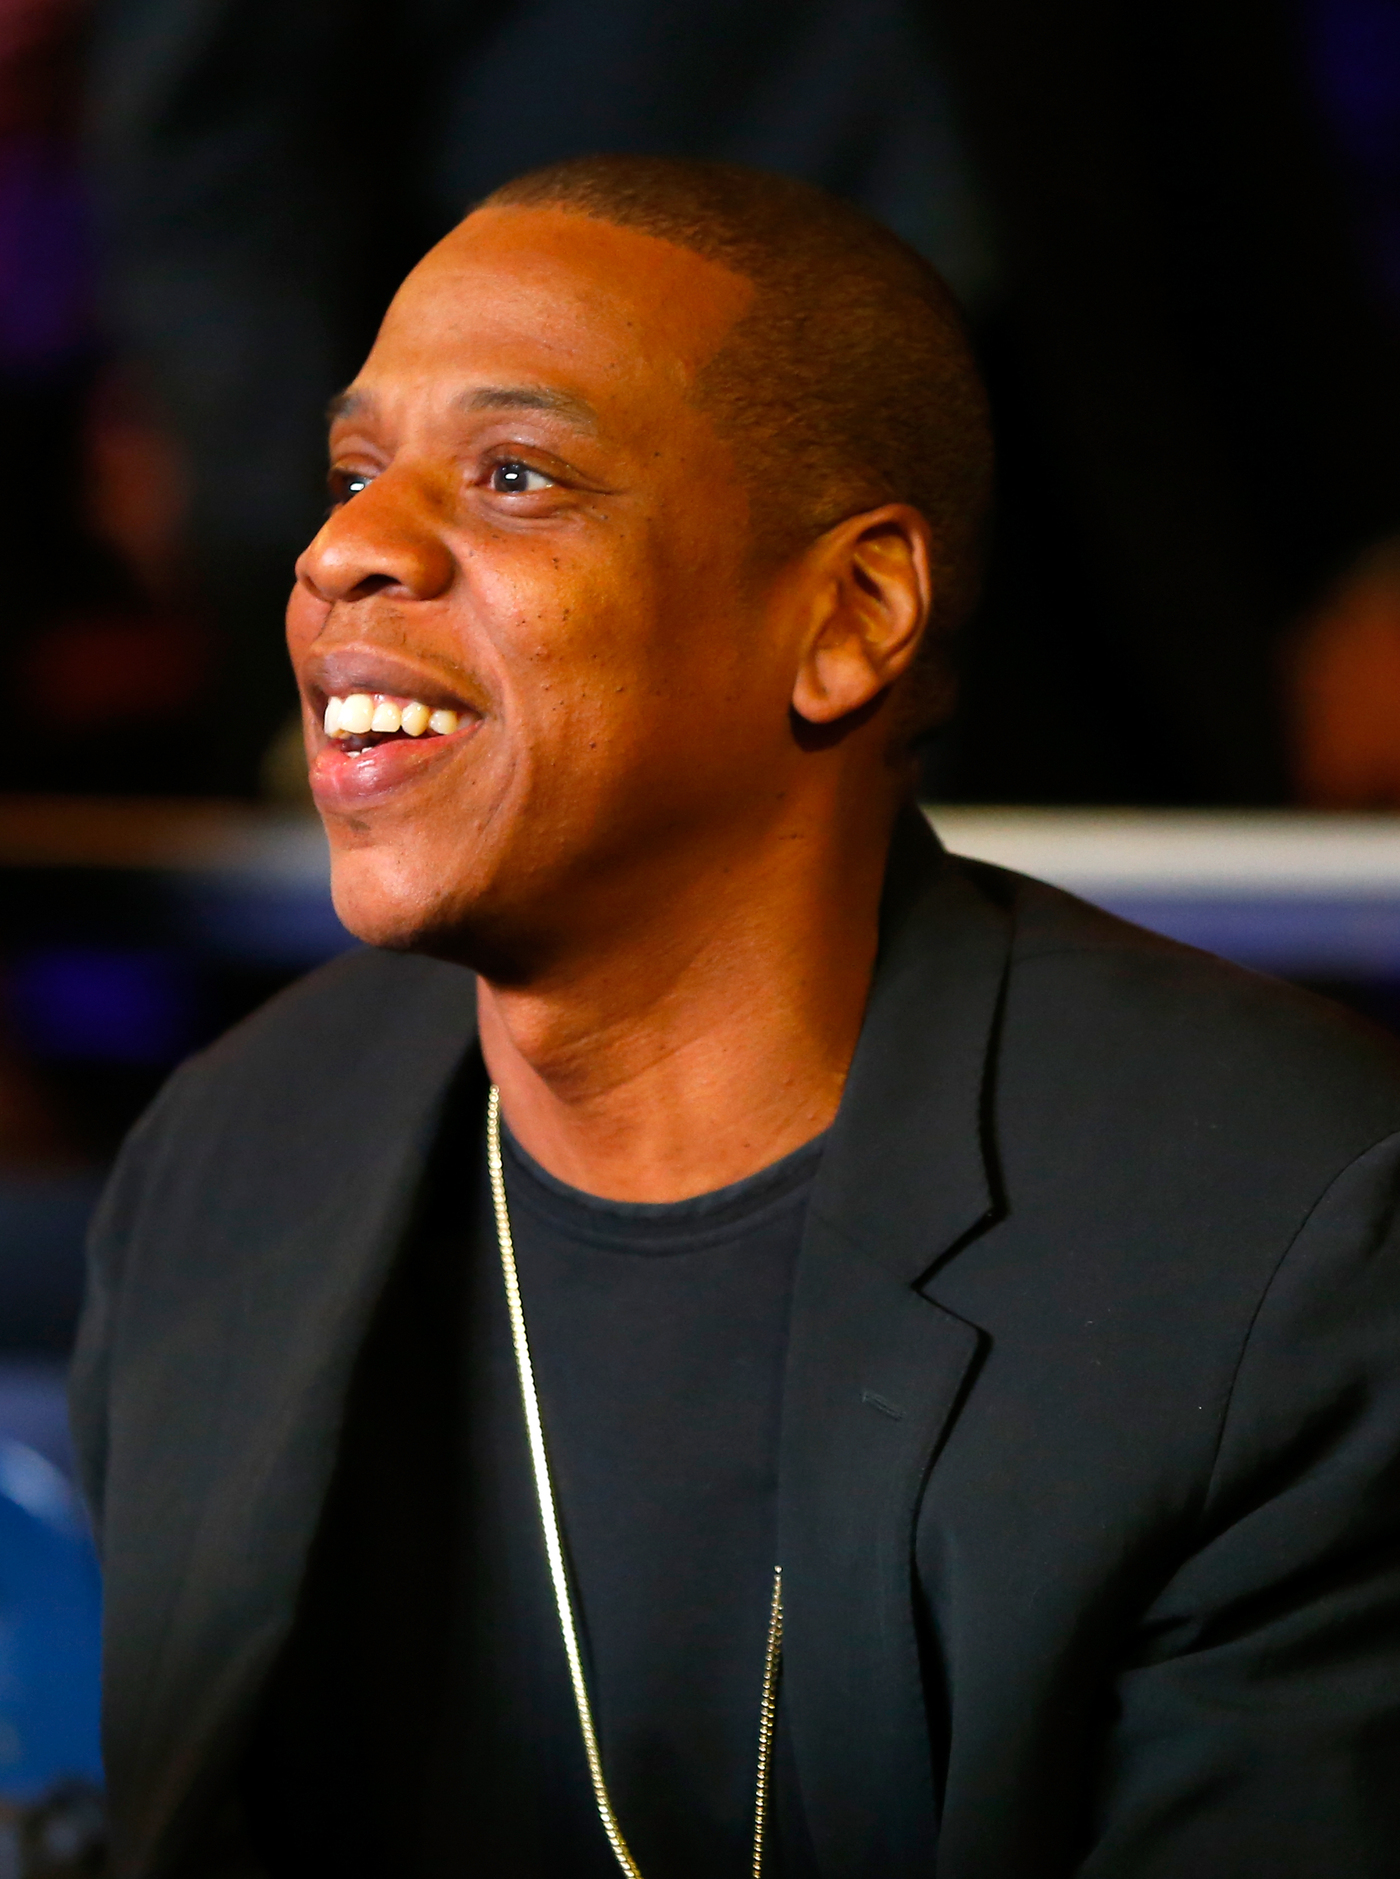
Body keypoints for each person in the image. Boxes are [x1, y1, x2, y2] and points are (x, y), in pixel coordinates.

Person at [72, 158, 1400, 1879]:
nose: (343, 551)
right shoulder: (231, 1158)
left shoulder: (1282, 1250)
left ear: (849, 618)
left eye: (516, 474)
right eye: (348, 474)